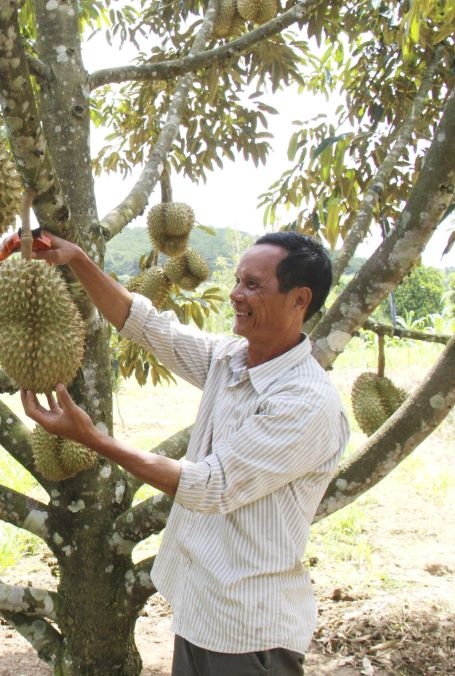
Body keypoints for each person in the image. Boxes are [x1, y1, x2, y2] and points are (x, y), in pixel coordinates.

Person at [21, 230, 350, 675]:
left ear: (299, 299)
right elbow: (149, 326)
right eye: (237, 280)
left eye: (253, 285)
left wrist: (94, 439)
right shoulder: (231, 360)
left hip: (250, 631)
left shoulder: (305, 403)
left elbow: (210, 486)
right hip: (202, 610)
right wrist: (78, 260)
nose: (236, 294)